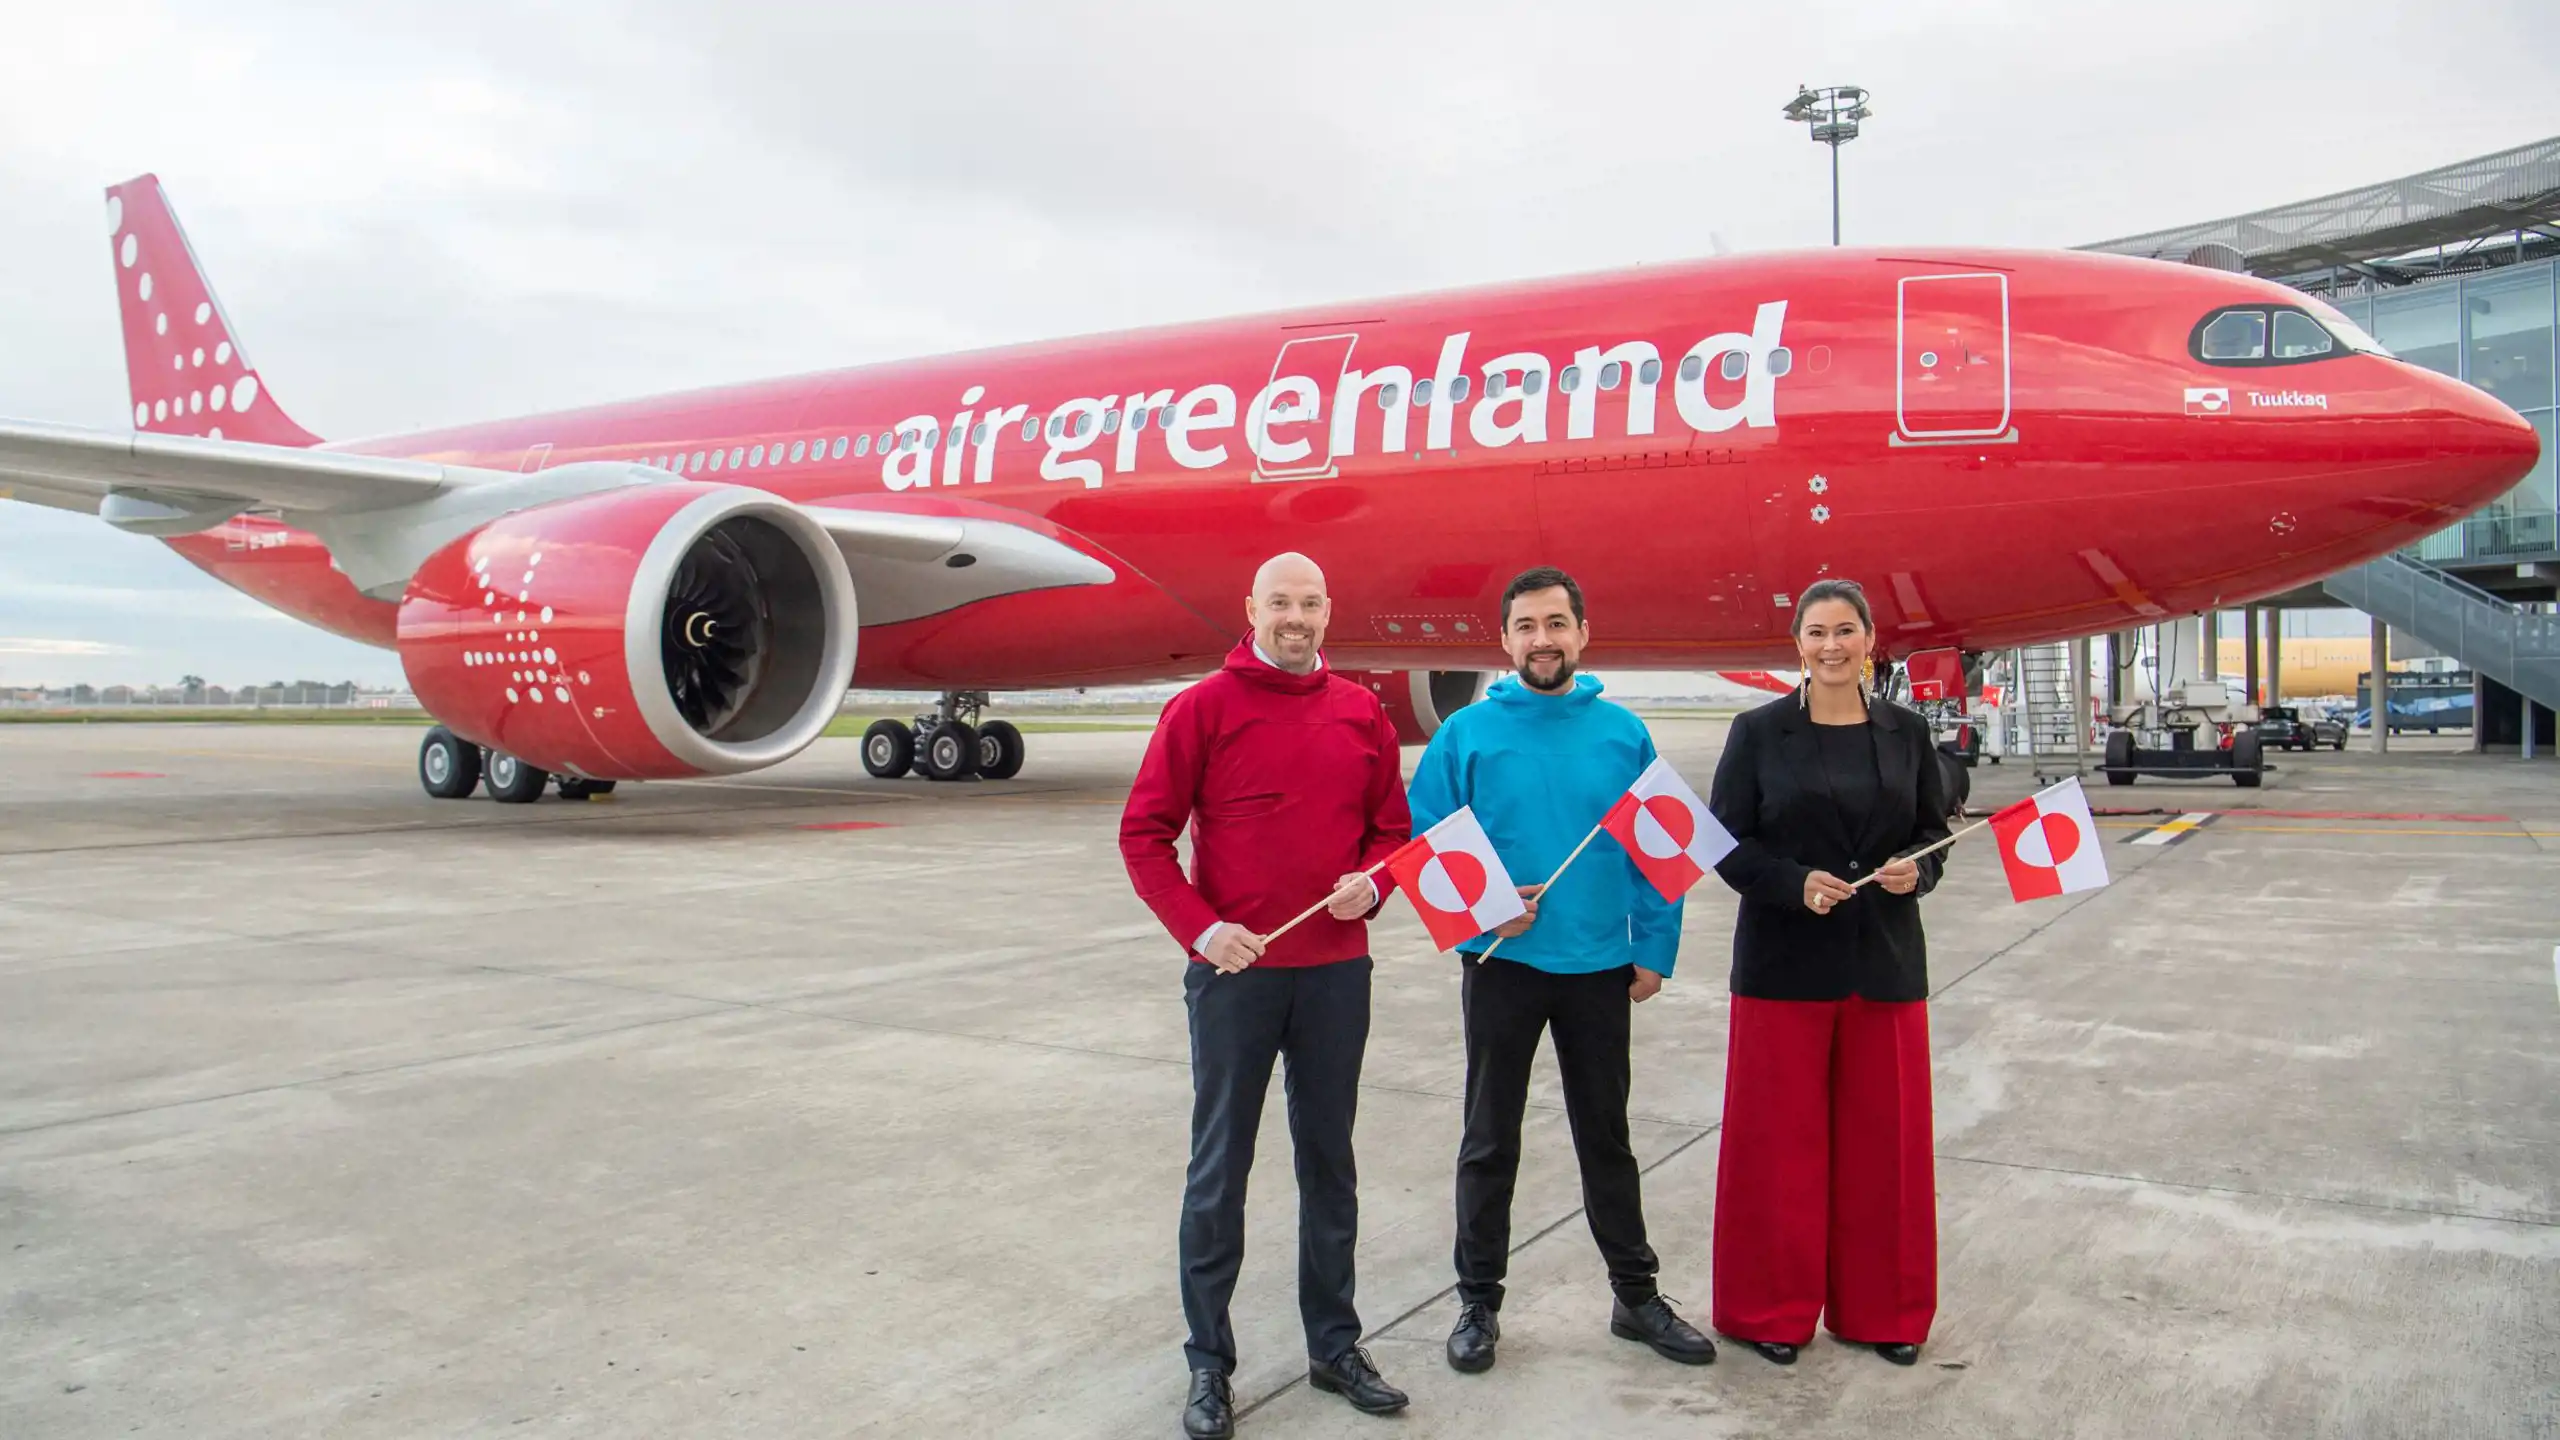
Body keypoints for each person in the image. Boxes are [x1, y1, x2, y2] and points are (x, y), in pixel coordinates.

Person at [1119, 552, 1414, 1440]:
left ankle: (1335, 1346)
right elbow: (1144, 835)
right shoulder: (1202, 708)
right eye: (1280, 602)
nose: (1296, 616)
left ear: (1330, 610)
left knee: (1330, 1164)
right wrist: (1202, 930)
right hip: (1236, 978)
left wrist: (1376, 881)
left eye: (1310, 602)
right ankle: (1209, 1363)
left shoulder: (1362, 713)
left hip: (1333, 974)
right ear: (1250, 609)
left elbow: (1391, 833)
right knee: (1220, 1172)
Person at [1406, 565, 1715, 1375]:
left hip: (1599, 969)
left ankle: (1636, 1294)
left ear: (1582, 633)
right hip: (1504, 965)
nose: (1541, 639)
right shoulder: (1466, 735)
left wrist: (1654, 948)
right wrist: (1486, 910)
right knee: (1489, 1140)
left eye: (1555, 623)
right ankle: (1478, 1301)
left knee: (1606, 1137)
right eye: (1525, 627)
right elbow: (1428, 841)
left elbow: (1663, 853)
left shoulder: (1622, 734)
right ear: (1505, 642)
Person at [1705, 578, 1952, 1368]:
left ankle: (1887, 1311)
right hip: (1784, 966)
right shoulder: (1758, 732)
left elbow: (1931, 833)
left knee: (1890, 1148)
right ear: (1798, 645)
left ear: (1870, 640)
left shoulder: (1908, 734)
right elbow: (1725, 844)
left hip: (1882, 963)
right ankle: (1769, 1308)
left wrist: (1922, 873)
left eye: (1846, 631)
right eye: (1817, 633)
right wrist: (1792, 883)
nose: (1832, 646)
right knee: (1776, 1147)